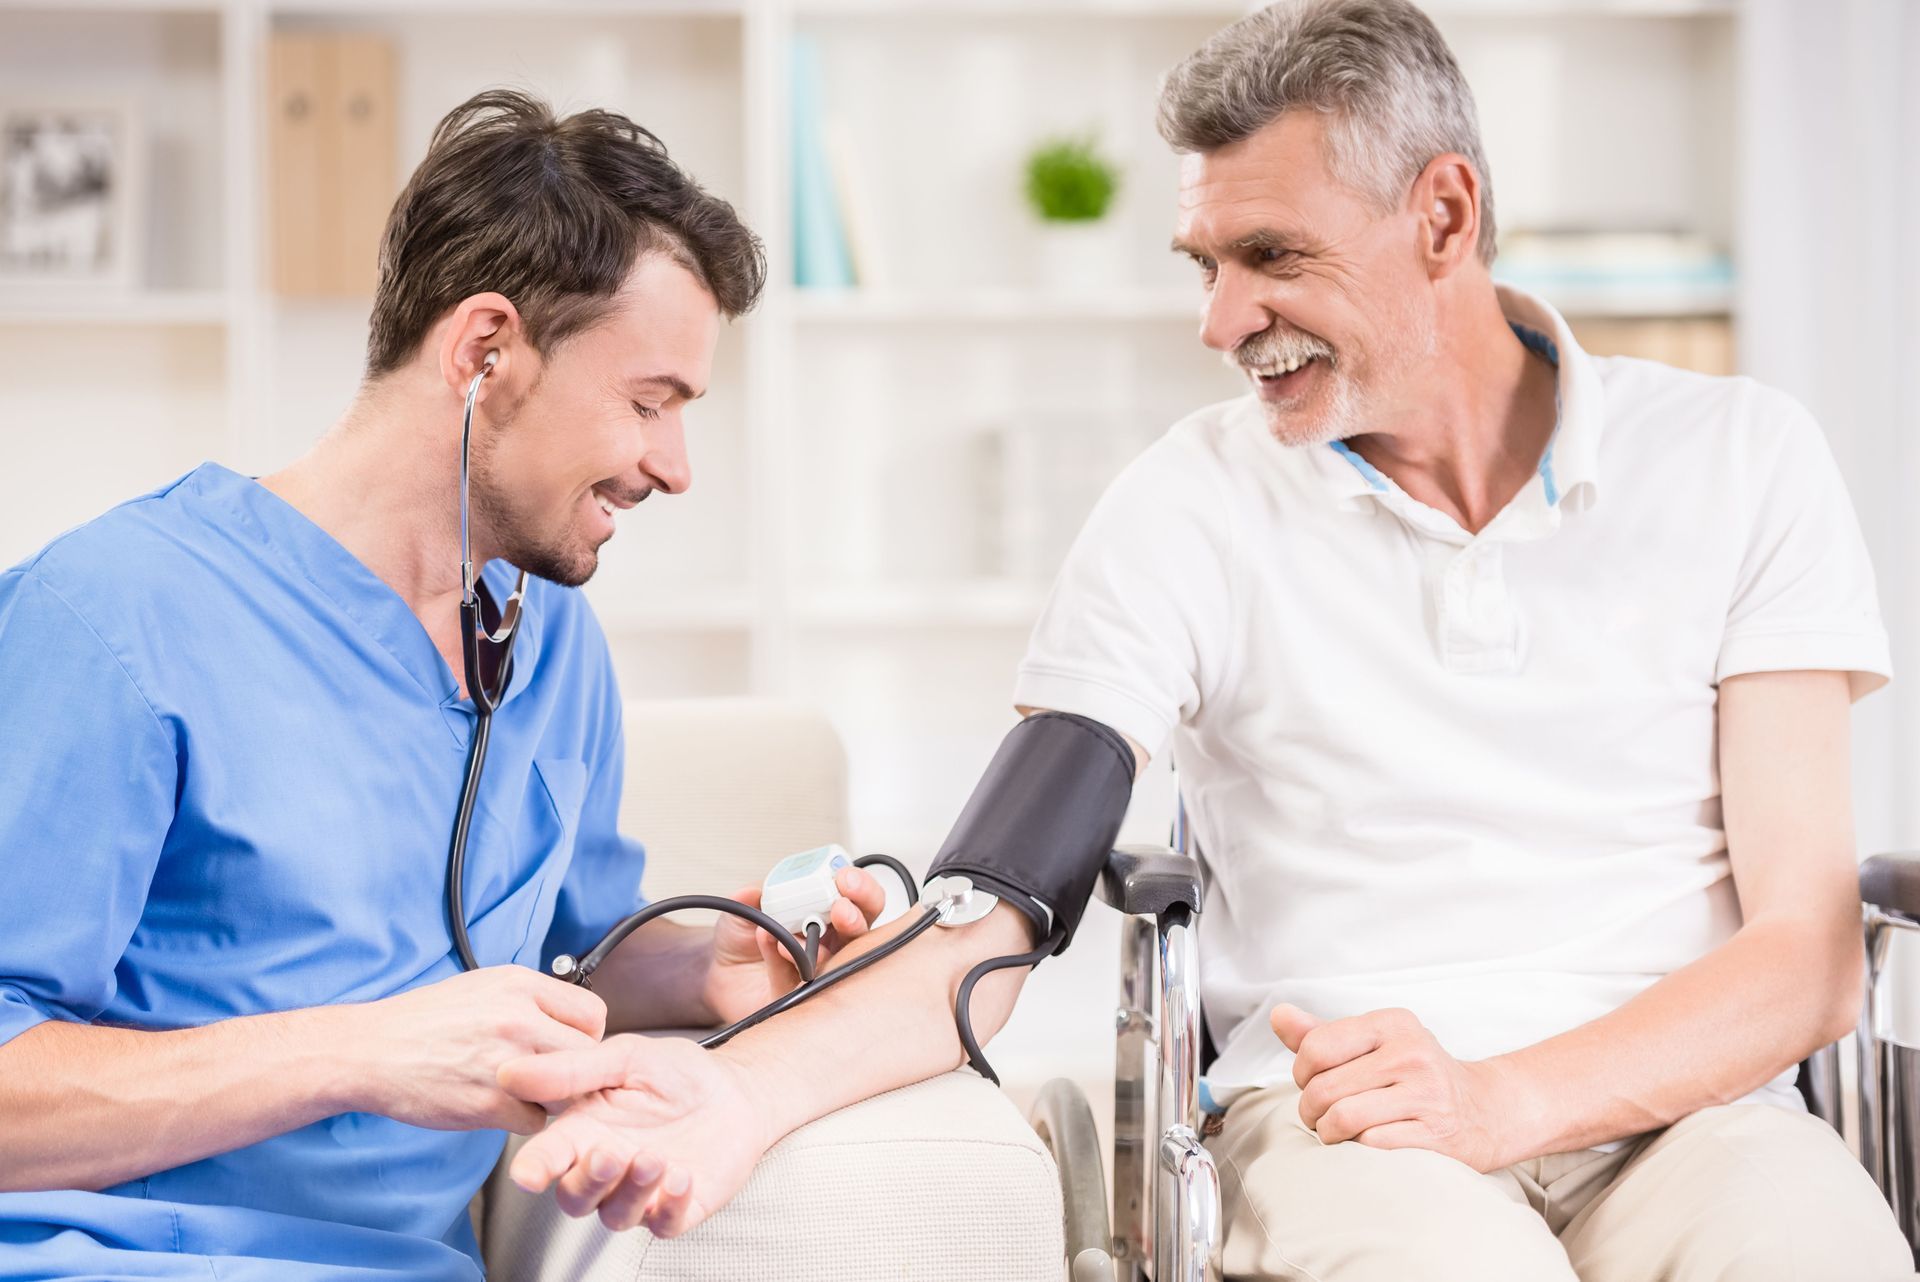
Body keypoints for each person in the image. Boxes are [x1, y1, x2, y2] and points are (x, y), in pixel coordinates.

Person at [499, 3, 1916, 1279]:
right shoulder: (1193, 499)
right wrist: (741, 1092)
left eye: (1271, 257)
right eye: (1204, 262)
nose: (1220, 320)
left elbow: (1805, 953)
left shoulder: (1741, 458)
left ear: (1443, 215)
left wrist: (1513, 1095)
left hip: (1697, 1116)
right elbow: (1000, 890)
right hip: (1342, 1119)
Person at [0, 90, 911, 1280]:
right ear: (485, 351)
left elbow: (559, 959)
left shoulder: (551, 640)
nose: (675, 468)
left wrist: (708, 963)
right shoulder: (108, 616)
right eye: (650, 404)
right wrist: (360, 1053)